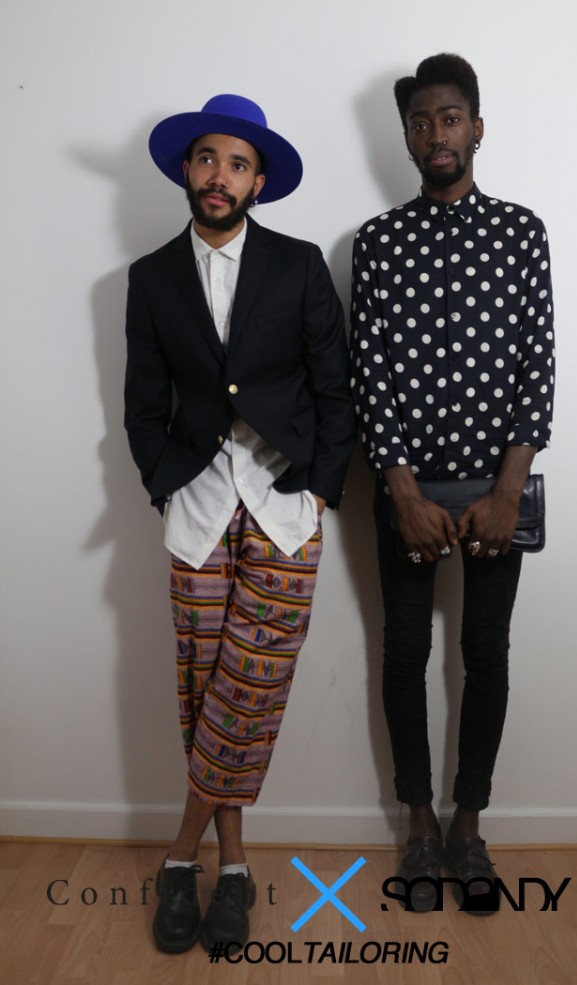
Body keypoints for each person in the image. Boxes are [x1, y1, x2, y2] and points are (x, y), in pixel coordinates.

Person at [124, 93, 354, 952]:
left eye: (237, 163)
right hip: (196, 506)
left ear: (258, 181)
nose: (219, 176)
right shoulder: (152, 277)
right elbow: (141, 403)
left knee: (247, 688)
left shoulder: (297, 266)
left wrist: (320, 490)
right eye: (207, 158)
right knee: (203, 688)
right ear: (187, 170)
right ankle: (233, 868)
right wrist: (164, 487)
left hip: (286, 505)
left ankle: (179, 853)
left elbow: (334, 390)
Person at [350, 54, 555, 913]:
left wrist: (506, 492)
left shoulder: (521, 232)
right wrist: (402, 493)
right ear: (406, 138)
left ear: (475, 128)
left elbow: (536, 366)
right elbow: (368, 374)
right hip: (408, 491)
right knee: (404, 655)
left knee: (486, 655)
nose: (434, 133)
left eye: (448, 117)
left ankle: (470, 822)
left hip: (494, 493)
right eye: (419, 122)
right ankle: (420, 824)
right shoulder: (377, 241)